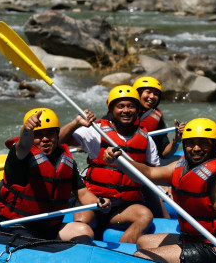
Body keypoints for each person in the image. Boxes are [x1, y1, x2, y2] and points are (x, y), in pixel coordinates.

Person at [103, 117, 216, 263]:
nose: (196, 148)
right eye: (191, 143)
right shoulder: (180, 167)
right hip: (194, 239)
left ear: (215, 145)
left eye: (203, 143)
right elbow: (148, 173)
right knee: (144, 241)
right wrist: (120, 160)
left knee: (141, 256)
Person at [0, 108, 110, 243]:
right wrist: (26, 130)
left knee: (84, 231)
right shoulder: (20, 157)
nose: (45, 139)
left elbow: (82, 193)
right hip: (17, 225)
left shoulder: (66, 161)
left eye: (50, 134)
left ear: (57, 135)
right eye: (38, 135)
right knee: (33, 244)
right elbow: (23, 145)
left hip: (48, 227)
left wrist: (99, 203)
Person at [58, 85, 158, 243]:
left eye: (131, 106)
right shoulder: (97, 131)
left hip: (123, 208)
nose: (126, 110)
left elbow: (154, 173)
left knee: (145, 216)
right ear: (111, 110)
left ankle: (124, 254)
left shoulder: (146, 138)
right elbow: (58, 141)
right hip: (94, 201)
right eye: (120, 106)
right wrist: (77, 122)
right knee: (83, 221)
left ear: (138, 109)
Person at [132, 76, 185, 159]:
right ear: (137, 93)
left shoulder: (156, 117)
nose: (152, 96)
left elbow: (164, 154)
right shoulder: (122, 113)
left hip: (144, 163)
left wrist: (177, 139)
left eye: (156, 94)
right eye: (148, 92)